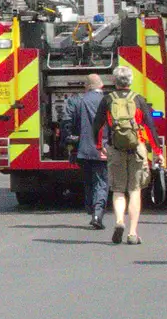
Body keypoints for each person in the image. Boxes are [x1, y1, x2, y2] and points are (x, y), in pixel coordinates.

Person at [92, 66, 157, 245]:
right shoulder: (138, 100)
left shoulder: (107, 100)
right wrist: (158, 152)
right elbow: (150, 128)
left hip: (115, 149)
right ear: (130, 81)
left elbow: (97, 126)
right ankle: (132, 233)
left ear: (114, 81)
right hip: (136, 149)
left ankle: (119, 220)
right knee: (134, 190)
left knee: (118, 189)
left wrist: (100, 146)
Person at [66, 74, 109, 230]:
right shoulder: (107, 101)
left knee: (89, 181)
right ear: (101, 86)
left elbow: (68, 121)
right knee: (101, 183)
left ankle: (90, 208)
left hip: (83, 150)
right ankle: (97, 214)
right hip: (101, 149)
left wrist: (70, 142)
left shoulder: (78, 101)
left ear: (87, 87)